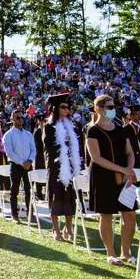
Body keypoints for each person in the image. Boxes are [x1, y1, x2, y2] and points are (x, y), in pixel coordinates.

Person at [84, 94, 136, 265]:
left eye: (114, 107)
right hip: (103, 177)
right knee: (106, 215)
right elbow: (96, 158)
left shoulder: (121, 129)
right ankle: (111, 253)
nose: (113, 110)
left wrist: (129, 170)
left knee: (130, 215)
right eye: (110, 107)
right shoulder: (92, 130)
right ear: (98, 109)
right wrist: (123, 169)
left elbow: (130, 152)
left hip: (124, 177)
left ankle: (125, 252)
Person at [42, 93, 81, 242]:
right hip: (56, 168)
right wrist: (61, 154)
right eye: (63, 107)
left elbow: (76, 147)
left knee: (70, 198)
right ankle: (56, 229)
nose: (67, 110)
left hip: (70, 167)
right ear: (55, 109)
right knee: (56, 197)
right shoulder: (49, 127)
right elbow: (49, 148)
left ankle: (68, 228)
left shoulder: (72, 126)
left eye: (68, 107)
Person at [2, 109, 35, 223]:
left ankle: (30, 213)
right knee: (14, 191)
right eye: (18, 118)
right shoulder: (8, 135)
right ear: (12, 119)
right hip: (15, 165)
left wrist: (29, 161)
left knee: (29, 190)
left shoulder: (28, 134)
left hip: (28, 165)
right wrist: (22, 162)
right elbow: (10, 153)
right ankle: (14, 215)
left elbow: (33, 149)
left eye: (22, 117)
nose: (21, 120)